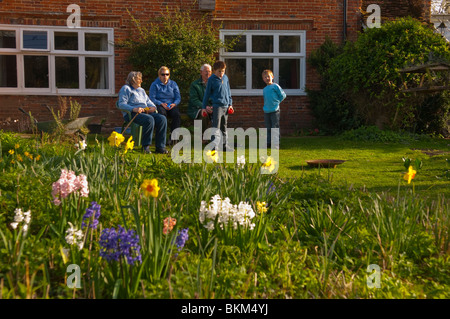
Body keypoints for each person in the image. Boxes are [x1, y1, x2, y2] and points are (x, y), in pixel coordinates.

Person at [118, 71, 169, 154]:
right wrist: (134, 109)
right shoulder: (126, 89)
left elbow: (149, 102)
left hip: (145, 112)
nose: (141, 81)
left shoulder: (141, 90)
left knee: (162, 118)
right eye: (139, 79)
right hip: (132, 114)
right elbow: (121, 104)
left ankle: (160, 147)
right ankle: (146, 146)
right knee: (149, 119)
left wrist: (152, 107)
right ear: (133, 80)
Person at [202, 60, 234, 152]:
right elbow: (207, 94)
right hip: (217, 107)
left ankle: (224, 146)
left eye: (223, 71)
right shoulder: (211, 80)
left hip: (226, 106)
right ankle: (213, 147)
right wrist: (204, 107)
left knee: (224, 127)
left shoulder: (226, 78)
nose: (221, 73)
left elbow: (228, 92)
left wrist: (230, 104)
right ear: (214, 70)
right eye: (219, 71)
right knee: (216, 127)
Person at [149, 66, 181, 143]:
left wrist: (174, 104)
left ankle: (173, 138)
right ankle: (162, 138)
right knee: (162, 115)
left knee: (177, 115)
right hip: (160, 105)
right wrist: (161, 103)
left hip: (171, 105)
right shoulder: (154, 84)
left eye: (167, 74)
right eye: (162, 74)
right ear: (159, 75)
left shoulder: (173, 84)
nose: (165, 76)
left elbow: (178, 97)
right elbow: (152, 98)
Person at [187, 63, 213, 143]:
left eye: (209, 71)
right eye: (206, 71)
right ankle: (203, 137)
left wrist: (213, 106)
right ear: (201, 72)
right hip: (197, 108)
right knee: (204, 114)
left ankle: (219, 138)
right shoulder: (195, 84)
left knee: (220, 113)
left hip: (211, 108)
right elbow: (194, 100)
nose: (207, 73)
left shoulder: (213, 84)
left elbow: (216, 97)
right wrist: (205, 107)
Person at [262, 69, 286, 149]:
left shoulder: (275, 86)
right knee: (268, 128)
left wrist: (277, 102)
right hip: (266, 111)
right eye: (265, 77)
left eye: (268, 76)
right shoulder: (264, 89)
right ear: (263, 79)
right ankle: (269, 142)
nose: (267, 78)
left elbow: (283, 95)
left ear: (272, 77)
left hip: (275, 111)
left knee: (275, 127)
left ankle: (276, 143)